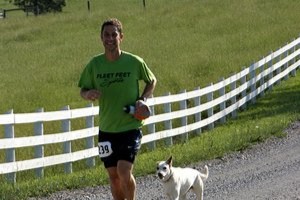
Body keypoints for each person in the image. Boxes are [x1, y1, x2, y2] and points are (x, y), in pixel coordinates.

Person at [78, 18, 157, 200]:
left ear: (121, 37)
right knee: (113, 178)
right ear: (101, 38)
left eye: (114, 34)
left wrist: (142, 99)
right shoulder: (94, 65)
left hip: (130, 126)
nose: (110, 38)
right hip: (106, 130)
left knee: (123, 170)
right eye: (106, 35)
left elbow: (151, 80)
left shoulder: (134, 61)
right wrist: (88, 94)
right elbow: (83, 89)